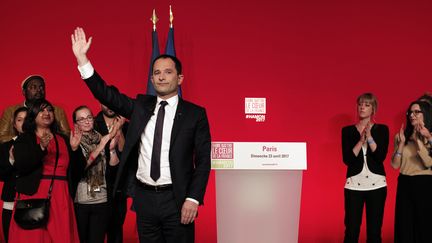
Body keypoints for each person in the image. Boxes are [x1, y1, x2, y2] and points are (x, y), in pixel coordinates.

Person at [71, 27, 211, 243]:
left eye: (168, 72)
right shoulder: (140, 106)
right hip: (145, 199)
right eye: (156, 73)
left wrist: (193, 198)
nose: (161, 77)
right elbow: (105, 94)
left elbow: (203, 161)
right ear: (152, 80)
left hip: (178, 199)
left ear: (180, 78)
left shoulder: (195, 114)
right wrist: (82, 59)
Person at [8, 99, 85, 243]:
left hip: (60, 195)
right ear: (33, 115)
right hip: (34, 194)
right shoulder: (25, 138)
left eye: (49, 110)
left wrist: (75, 150)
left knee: (61, 237)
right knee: (33, 238)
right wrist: (41, 148)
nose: (46, 113)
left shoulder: (63, 139)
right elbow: (22, 165)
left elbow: (78, 171)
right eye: (41, 110)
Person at [341, 93, 389, 243]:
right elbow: (347, 159)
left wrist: (369, 137)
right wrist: (360, 141)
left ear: (373, 109)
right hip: (354, 185)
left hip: (377, 185)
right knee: (351, 231)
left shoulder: (382, 130)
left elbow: (380, 156)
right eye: (360, 104)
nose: (362, 107)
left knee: (374, 232)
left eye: (367, 105)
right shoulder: (347, 131)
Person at [71, 105, 121, 243]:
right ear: (75, 123)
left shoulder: (101, 137)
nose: (87, 121)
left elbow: (114, 169)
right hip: (81, 201)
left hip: (102, 199)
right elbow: (81, 168)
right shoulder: (73, 142)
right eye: (81, 119)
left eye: (89, 117)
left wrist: (111, 150)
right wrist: (101, 146)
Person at [391, 100, 432, 243]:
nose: (412, 115)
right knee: (404, 225)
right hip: (404, 183)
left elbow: (428, 163)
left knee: (424, 225)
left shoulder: (430, 136)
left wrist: (419, 140)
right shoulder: (400, 136)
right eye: (410, 112)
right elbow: (395, 165)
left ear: (425, 114)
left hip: (425, 183)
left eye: (417, 112)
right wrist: (401, 144)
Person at [93, 104, 128, 243]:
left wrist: (119, 129)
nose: (109, 106)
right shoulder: (93, 122)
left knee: (116, 226)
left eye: (112, 102)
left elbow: (125, 153)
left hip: (119, 182)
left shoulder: (126, 125)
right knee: (98, 228)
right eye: (105, 102)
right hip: (98, 180)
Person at [0, 75, 70, 143]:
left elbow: (67, 135)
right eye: (33, 87)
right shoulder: (10, 111)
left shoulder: (57, 111)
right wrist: (24, 141)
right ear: (24, 92)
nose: (39, 90)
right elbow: (2, 137)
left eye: (41, 87)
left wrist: (51, 140)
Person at [0, 107, 27, 242]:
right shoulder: (6, 146)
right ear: (14, 124)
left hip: (32, 203)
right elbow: (1, 175)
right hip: (10, 201)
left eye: (27, 119)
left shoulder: (41, 145)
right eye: (19, 120)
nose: (24, 123)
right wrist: (11, 160)